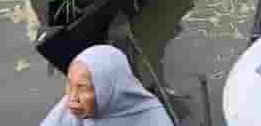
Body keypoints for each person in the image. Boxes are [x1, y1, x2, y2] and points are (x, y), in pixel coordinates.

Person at [40, 45, 173, 126]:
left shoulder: (155, 121)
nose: (71, 99)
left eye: (83, 87)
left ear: (108, 89)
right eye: (70, 84)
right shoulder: (72, 107)